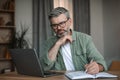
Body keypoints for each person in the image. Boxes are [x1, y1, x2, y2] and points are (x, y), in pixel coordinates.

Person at [40, 7, 107, 74]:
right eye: (54, 25)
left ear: (70, 21)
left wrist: (97, 67)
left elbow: (102, 63)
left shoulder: (85, 39)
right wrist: (58, 43)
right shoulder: (48, 42)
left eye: (62, 23)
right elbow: (44, 67)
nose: (59, 28)